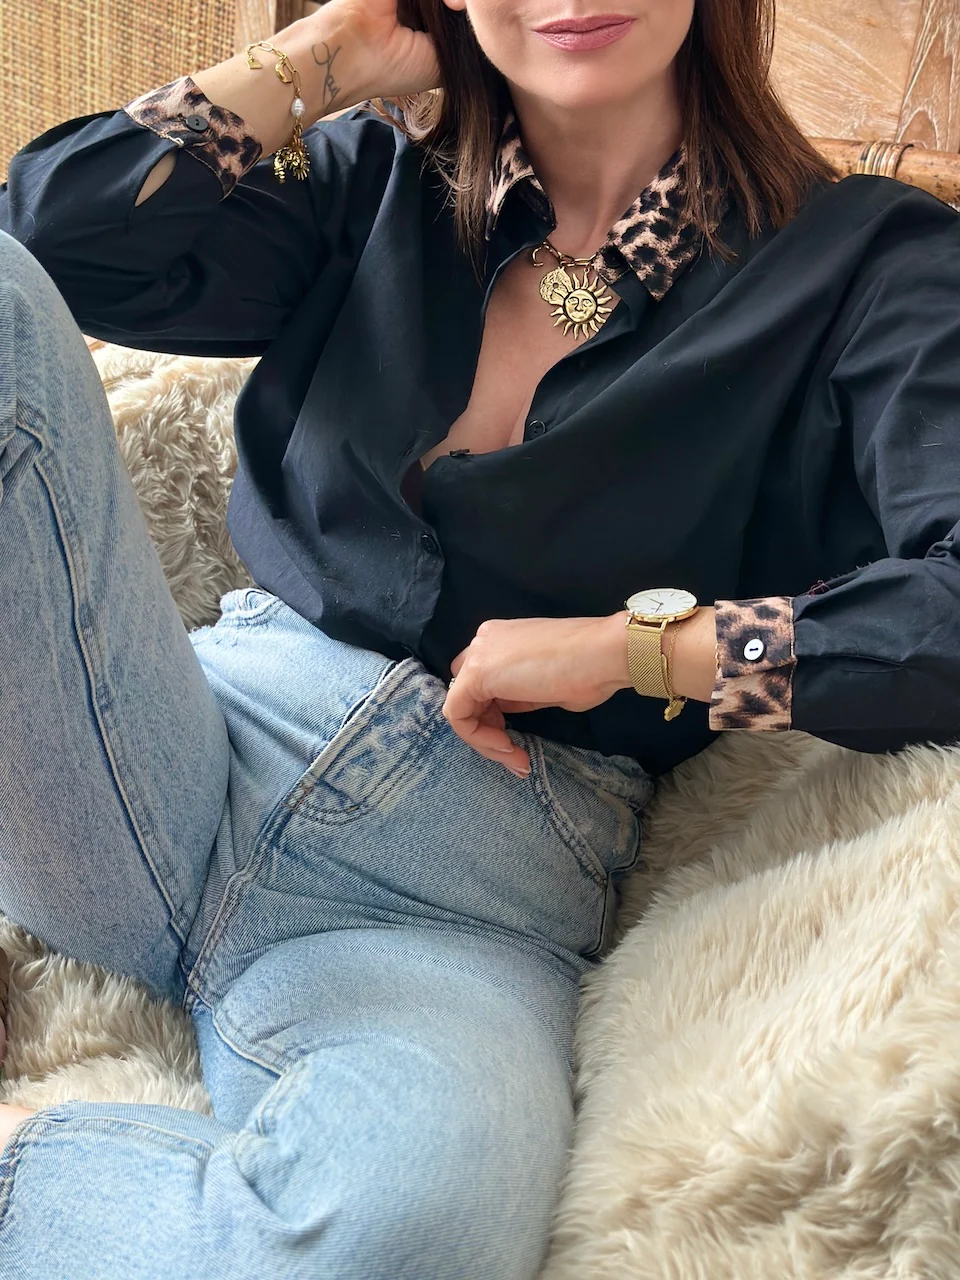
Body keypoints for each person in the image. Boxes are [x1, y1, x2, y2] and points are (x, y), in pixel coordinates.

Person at [1, 0, 959, 1273]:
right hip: (145, 750)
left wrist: (638, 649)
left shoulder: (869, 265)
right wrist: (332, 55)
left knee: (404, 1237)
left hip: (460, 892)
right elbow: (48, 241)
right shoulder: (370, 179)